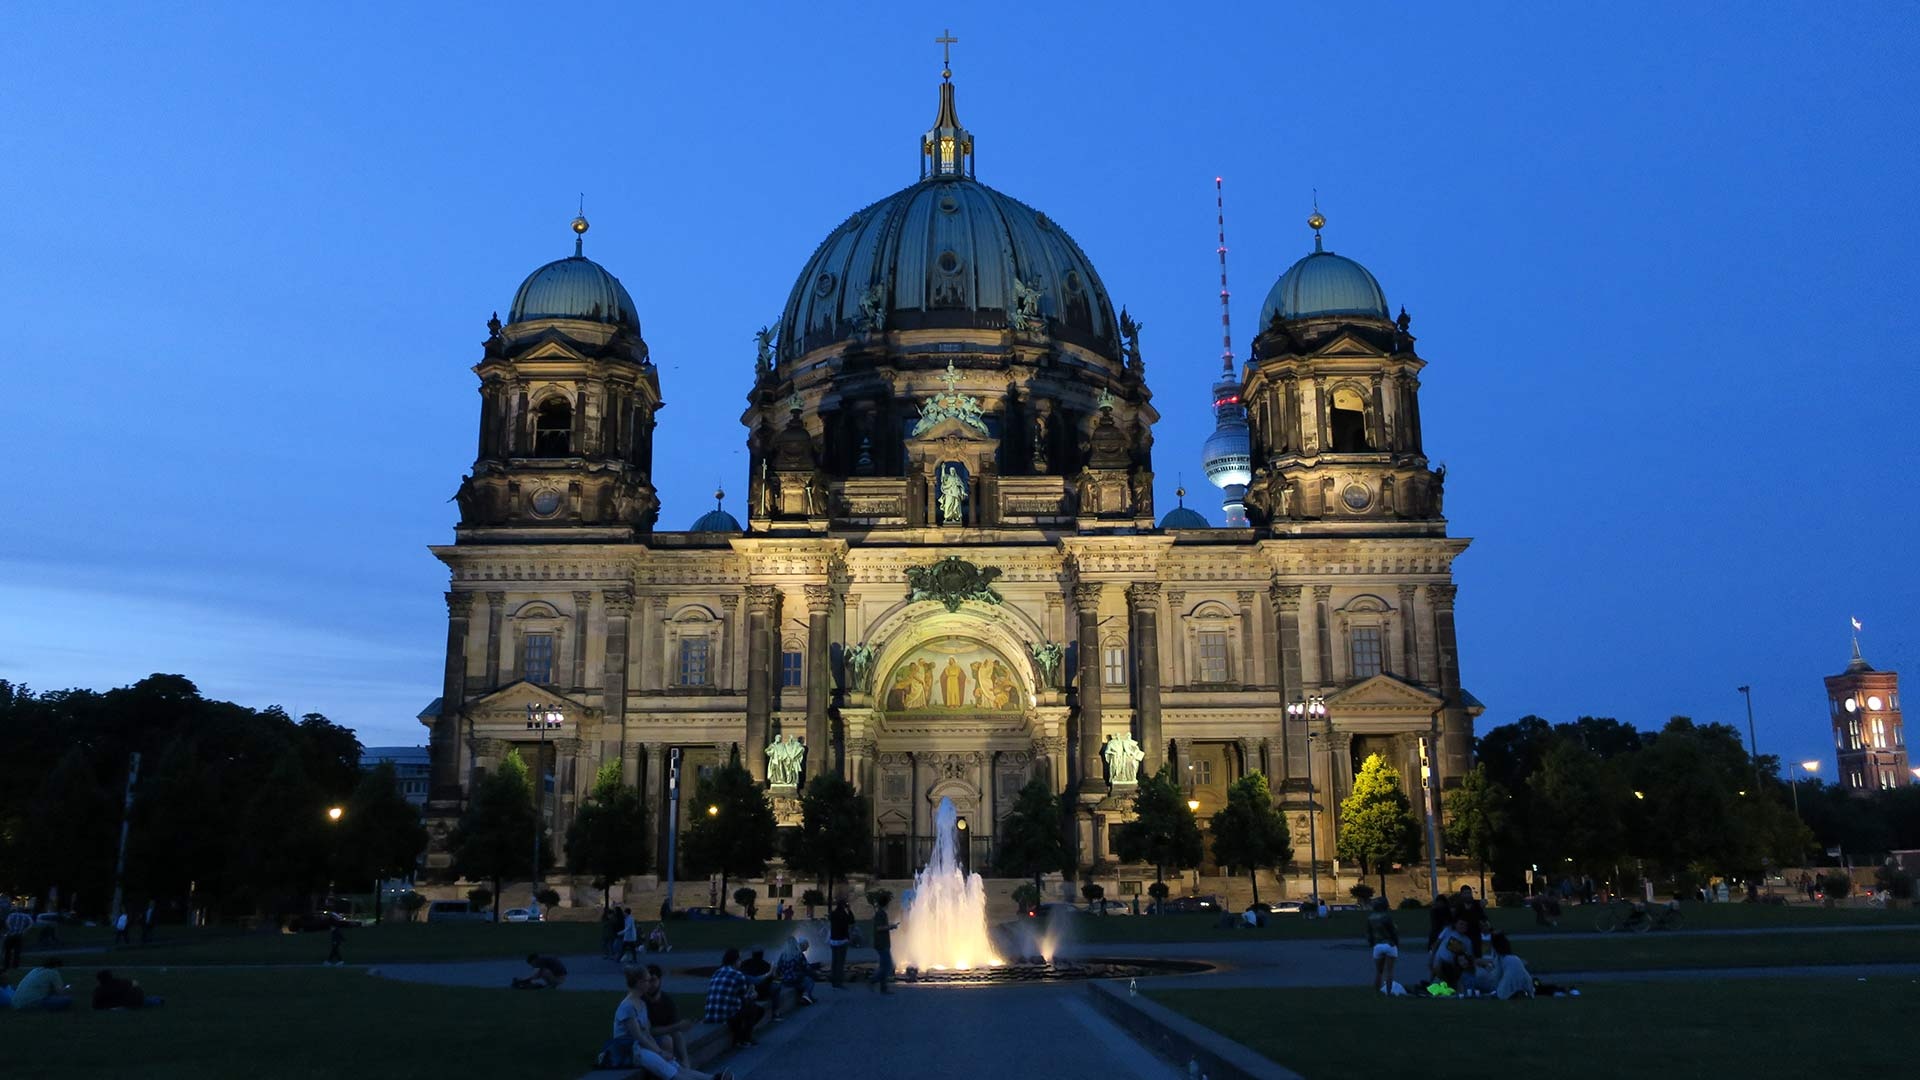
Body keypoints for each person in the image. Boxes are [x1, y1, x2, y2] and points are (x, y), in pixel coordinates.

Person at [601, 966, 732, 1079]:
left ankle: (713, 1078)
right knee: (672, 1073)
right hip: (629, 1050)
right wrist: (660, 1052)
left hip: (641, 1048)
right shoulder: (628, 1006)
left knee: (675, 1066)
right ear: (640, 983)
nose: (650, 983)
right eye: (648, 980)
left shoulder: (641, 1003)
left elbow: (646, 1033)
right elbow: (638, 1037)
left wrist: (659, 1051)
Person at [702, 947, 763, 1048]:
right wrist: (753, 994)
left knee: (745, 1008)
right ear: (735, 961)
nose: (741, 961)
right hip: (726, 1015)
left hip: (710, 1015)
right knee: (754, 1009)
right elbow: (745, 999)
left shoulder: (717, 972)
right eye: (740, 959)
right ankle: (745, 1039)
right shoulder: (738, 975)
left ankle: (741, 1038)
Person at [642, 963, 694, 1067]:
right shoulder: (640, 1001)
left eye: (653, 980)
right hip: (642, 1041)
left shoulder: (667, 1001)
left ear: (660, 980)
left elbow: (677, 1033)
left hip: (660, 1042)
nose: (650, 985)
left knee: (673, 1036)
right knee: (666, 1040)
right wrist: (677, 1027)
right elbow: (647, 1031)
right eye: (646, 981)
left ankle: (682, 1068)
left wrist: (685, 1060)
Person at [1366, 897, 1400, 993]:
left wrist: (1371, 943)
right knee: (1389, 971)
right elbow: (1393, 931)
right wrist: (1396, 943)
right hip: (1389, 944)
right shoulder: (1387, 917)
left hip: (1378, 945)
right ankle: (1388, 992)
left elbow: (1369, 933)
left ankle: (1377, 991)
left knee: (1379, 972)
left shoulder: (1370, 918)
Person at [1430, 916, 1474, 988]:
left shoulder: (1467, 941)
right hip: (1439, 960)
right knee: (1436, 967)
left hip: (1452, 965)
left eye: (1465, 925)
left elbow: (1469, 957)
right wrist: (1431, 958)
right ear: (1456, 924)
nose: (1463, 926)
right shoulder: (1448, 931)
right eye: (1461, 924)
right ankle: (1442, 984)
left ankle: (1449, 985)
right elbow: (1436, 944)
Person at [91, 970, 163, 1010]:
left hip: (123, 1004)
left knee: (146, 1000)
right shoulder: (119, 982)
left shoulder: (99, 990)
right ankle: (158, 1000)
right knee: (148, 1000)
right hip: (131, 1002)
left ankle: (156, 1000)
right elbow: (135, 983)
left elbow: (95, 1005)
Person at [776, 936, 816, 1006]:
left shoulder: (783, 955)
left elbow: (778, 968)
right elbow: (807, 967)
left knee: (802, 978)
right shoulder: (799, 954)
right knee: (809, 980)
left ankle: (805, 996)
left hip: (785, 980)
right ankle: (806, 996)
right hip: (795, 979)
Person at [869, 898, 898, 994]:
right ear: (886, 904)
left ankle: (883, 988)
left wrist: (890, 926)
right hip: (882, 943)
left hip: (883, 943)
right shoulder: (880, 914)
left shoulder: (881, 913)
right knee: (887, 966)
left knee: (883, 965)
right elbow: (879, 928)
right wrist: (891, 927)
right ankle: (873, 980)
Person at [738, 947, 777, 1019]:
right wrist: (771, 972)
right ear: (762, 955)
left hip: (750, 993)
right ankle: (775, 1012)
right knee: (776, 987)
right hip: (762, 994)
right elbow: (769, 980)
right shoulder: (766, 965)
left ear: (752, 954)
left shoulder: (745, 964)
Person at [826, 896, 855, 988]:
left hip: (833, 940)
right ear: (844, 905)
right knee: (840, 962)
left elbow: (830, 918)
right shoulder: (844, 914)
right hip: (842, 940)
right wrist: (849, 910)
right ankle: (839, 982)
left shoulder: (834, 913)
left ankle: (834, 981)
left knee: (834, 961)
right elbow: (852, 921)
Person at [3, 905, 30, 970]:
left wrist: (10, 929)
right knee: (17, 951)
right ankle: (15, 966)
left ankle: (6, 965)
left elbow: (7, 922)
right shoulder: (26, 916)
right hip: (19, 935)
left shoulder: (11, 915)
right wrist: (24, 930)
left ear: (16, 910)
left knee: (8, 951)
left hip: (11, 934)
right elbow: (31, 923)